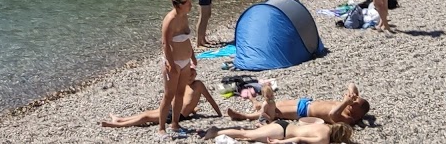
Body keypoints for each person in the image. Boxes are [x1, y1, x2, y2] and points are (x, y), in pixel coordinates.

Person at [225, 81, 371, 125]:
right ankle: (255, 102)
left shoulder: (349, 119)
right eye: (353, 100)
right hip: (305, 102)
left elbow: (333, 114)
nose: (351, 102)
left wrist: (345, 101)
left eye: (354, 104)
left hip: (303, 112)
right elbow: (352, 84)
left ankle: (243, 116)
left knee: (273, 113)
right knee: (271, 103)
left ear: (358, 114)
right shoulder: (351, 106)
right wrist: (351, 93)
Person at [101, 78, 223, 127]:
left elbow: (210, 99)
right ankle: (120, 119)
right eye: (189, 74)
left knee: (146, 117)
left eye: (193, 73)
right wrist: (193, 110)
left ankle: (117, 125)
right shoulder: (184, 83)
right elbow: (188, 100)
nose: (191, 76)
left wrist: (219, 114)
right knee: (147, 112)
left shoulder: (198, 85)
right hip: (172, 107)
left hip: (177, 114)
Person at [159, 0, 198, 136]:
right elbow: (165, 44)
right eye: (189, 4)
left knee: (180, 93)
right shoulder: (170, 19)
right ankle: (161, 128)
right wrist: (170, 63)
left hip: (185, 61)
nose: (191, 6)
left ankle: (175, 123)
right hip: (173, 62)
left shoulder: (184, 17)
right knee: (169, 95)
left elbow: (187, 39)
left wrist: (193, 55)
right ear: (180, 5)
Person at [198, 117, 355, 143]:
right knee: (246, 134)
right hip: (281, 133)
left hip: (283, 125)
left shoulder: (324, 125)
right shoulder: (324, 139)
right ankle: (216, 132)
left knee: (248, 135)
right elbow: (300, 139)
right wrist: (281, 143)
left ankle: (220, 131)